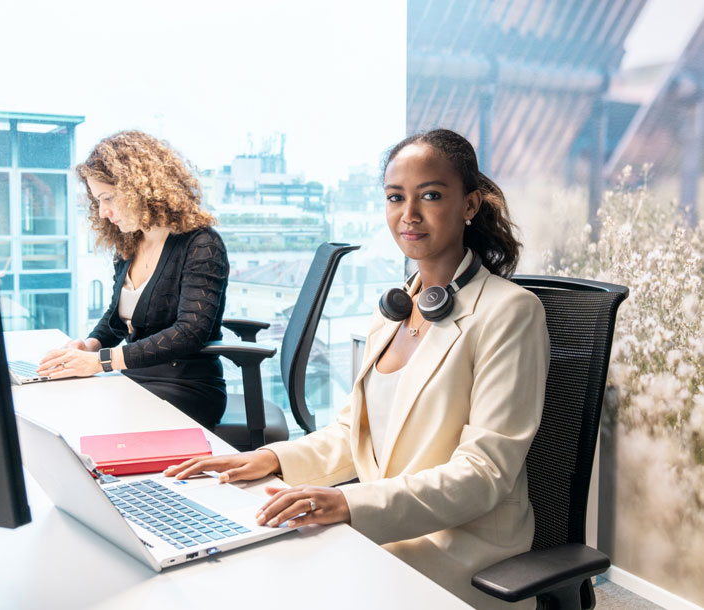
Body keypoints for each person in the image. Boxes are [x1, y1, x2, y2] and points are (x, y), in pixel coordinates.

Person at [164, 129, 549, 609]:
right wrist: (275, 459)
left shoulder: (510, 312)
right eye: (395, 197)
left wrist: (348, 504)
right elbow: (354, 432)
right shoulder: (393, 307)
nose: (409, 215)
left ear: (469, 205)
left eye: (430, 195)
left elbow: (483, 473)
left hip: (460, 551)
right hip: (386, 529)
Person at [37, 131, 229, 430]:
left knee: (88, 423)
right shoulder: (130, 243)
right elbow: (117, 319)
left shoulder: (202, 244)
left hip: (186, 387)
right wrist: (89, 346)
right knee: (59, 406)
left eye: (109, 198)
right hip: (136, 376)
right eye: (98, 201)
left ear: (142, 188)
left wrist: (101, 361)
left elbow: (190, 331)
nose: (104, 212)